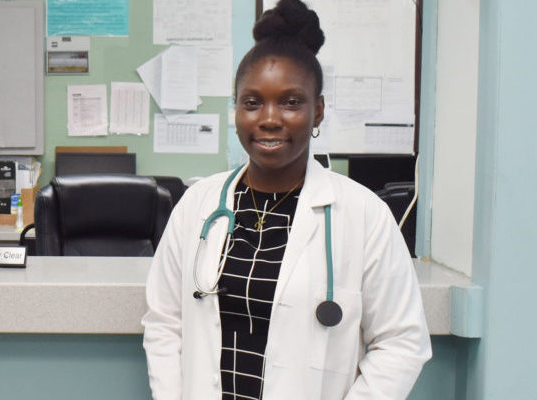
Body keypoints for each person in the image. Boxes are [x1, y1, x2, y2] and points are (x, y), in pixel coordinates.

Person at [141, 1, 431, 399]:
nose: (269, 118)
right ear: (237, 110)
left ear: (318, 111)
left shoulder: (364, 215)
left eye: (291, 102)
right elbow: (164, 324)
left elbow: (402, 342)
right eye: (252, 102)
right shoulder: (197, 205)